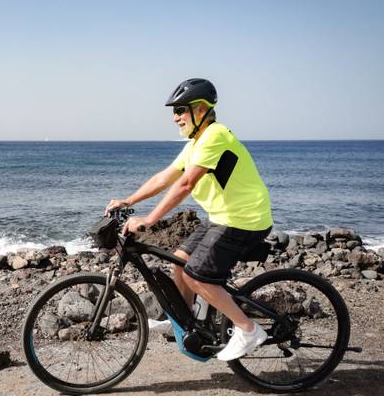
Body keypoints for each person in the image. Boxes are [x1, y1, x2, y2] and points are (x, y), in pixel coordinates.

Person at [105, 78, 273, 361]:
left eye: (181, 110)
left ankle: (248, 329)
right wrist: (128, 200)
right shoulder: (197, 142)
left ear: (201, 109)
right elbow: (165, 177)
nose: (175, 117)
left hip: (244, 220)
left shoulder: (215, 136)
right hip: (221, 217)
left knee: (198, 275)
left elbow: (185, 185)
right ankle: (185, 324)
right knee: (179, 262)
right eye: (174, 111)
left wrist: (151, 219)